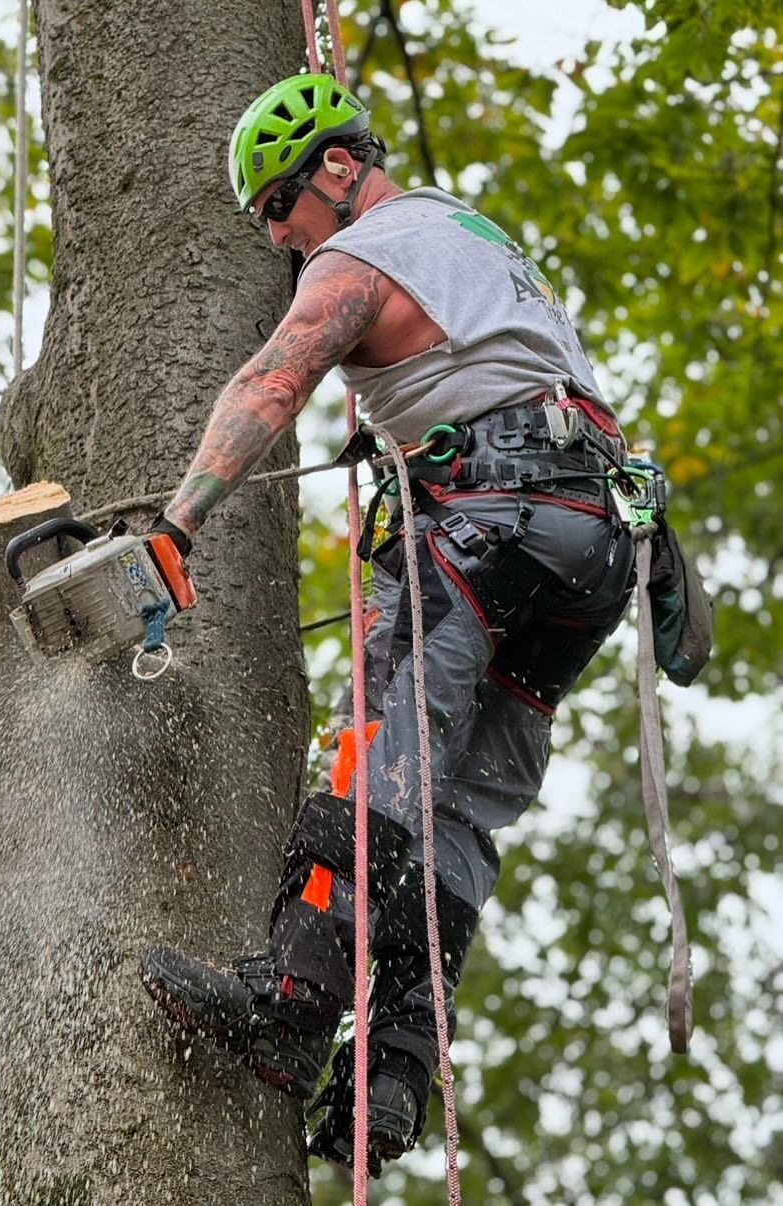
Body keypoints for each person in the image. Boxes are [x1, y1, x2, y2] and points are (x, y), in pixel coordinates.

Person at [138, 72, 635, 1174]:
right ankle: (395, 1078)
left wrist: (177, 528)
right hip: (594, 543)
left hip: (488, 517)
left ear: (336, 167)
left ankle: (291, 1002)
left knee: (378, 751)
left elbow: (276, 379)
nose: (279, 237)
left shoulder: (363, 251)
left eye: (279, 205)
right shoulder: (471, 235)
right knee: (456, 811)